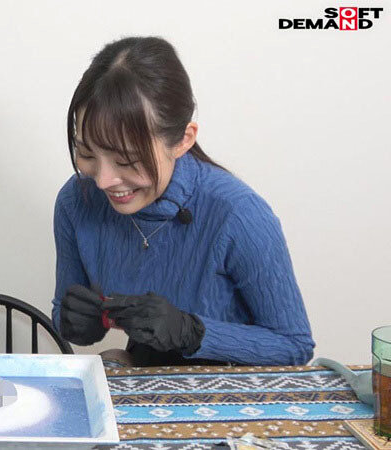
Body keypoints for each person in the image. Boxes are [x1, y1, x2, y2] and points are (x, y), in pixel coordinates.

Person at [52, 37, 314, 366]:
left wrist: (192, 332)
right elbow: (65, 316)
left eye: (126, 160)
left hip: (236, 382)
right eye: (87, 154)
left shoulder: (238, 214)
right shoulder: (77, 202)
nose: (103, 180)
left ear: (183, 140)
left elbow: (294, 345)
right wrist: (78, 322)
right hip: (149, 374)